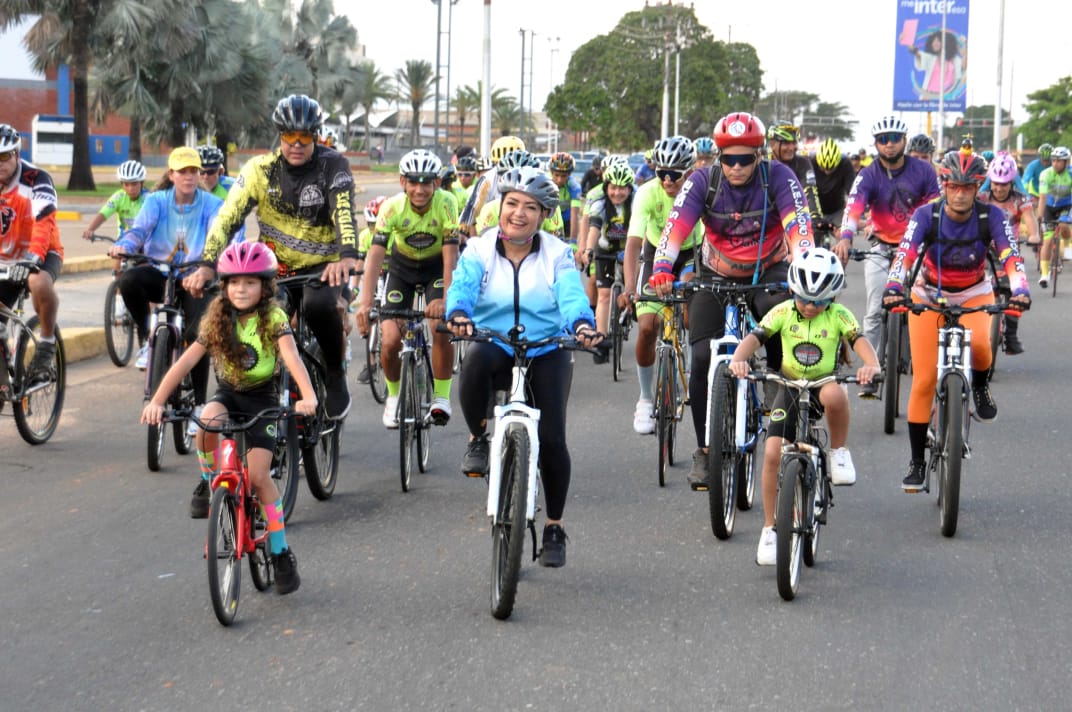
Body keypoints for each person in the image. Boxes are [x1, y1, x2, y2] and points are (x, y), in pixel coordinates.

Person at [445, 165, 603, 568]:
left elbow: (570, 295)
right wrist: (459, 313)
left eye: (530, 207)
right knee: (475, 362)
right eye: (512, 203)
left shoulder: (558, 253)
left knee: (552, 440)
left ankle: (553, 525)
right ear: (500, 206)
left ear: (544, 216)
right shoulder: (480, 249)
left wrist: (582, 325)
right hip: (495, 340)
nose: (518, 213)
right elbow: (462, 285)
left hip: (546, 346)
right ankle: (478, 437)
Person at [141, 242, 317, 593]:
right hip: (229, 393)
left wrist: (308, 396)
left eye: (250, 283)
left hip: (263, 400)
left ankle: (281, 552)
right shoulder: (217, 318)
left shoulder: (273, 318)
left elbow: (292, 359)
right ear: (223, 286)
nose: (241, 289)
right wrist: (157, 400)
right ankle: (210, 483)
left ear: (265, 288)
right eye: (234, 282)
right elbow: (186, 361)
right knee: (205, 423)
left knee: (257, 476)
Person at [650, 112, 813, 489]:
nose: (736, 167)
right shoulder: (702, 182)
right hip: (715, 273)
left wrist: (804, 268)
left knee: (779, 342)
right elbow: (675, 229)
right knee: (703, 357)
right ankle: (705, 451)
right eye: (728, 158)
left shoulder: (780, 178)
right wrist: (662, 267)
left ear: (760, 155)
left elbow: (799, 229)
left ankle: (781, 415)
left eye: (744, 159)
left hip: (768, 270)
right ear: (719, 157)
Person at [187, 94, 358, 421]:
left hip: (325, 266)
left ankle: (334, 374)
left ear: (316, 135)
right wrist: (208, 263)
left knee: (319, 306)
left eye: (304, 136)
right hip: (276, 268)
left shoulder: (333, 165)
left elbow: (344, 214)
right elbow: (227, 217)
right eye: (288, 136)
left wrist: (348, 255)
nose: (296, 144)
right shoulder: (259, 170)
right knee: (258, 320)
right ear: (279, 136)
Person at [883, 151, 1030, 491]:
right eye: (954, 186)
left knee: (980, 346)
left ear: (978, 187)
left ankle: (979, 386)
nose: (961, 193)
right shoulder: (925, 215)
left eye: (968, 187)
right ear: (944, 185)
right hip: (928, 294)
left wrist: (1020, 288)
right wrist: (894, 285)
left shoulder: (990, 216)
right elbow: (905, 254)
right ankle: (917, 461)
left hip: (975, 291)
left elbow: (1010, 254)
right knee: (923, 380)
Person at [728, 248, 880, 565]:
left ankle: (838, 452)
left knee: (836, 396)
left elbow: (859, 340)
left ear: (832, 298)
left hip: (823, 380)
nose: (811, 307)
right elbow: (755, 338)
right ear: (793, 292)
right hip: (789, 385)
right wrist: (739, 359)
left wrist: (872, 365)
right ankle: (770, 528)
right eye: (805, 299)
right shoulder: (782, 311)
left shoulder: (838, 316)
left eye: (820, 301)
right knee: (771, 453)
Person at [110, 147, 222, 511]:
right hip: (160, 274)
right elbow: (138, 231)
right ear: (171, 174)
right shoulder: (156, 201)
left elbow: (224, 236)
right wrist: (123, 246)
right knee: (128, 282)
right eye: (182, 171)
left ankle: (202, 404)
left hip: (196, 280)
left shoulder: (209, 204)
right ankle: (148, 340)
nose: (189, 177)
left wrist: (213, 266)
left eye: (193, 171)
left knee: (199, 335)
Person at [833, 114, 941, 397]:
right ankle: (870, 370)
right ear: (876, 144)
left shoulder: (924, 171)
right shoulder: (868, 174)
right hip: (881, 246)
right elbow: (853, 208)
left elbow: (935, 208)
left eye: (894, 139)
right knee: (873, 310)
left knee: (926, 305)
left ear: (904, 141)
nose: (889, 145)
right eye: (883, 140)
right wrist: (845, 237)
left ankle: (927, 362)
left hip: (917, 247)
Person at [355, 149, 459, 429]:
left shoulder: (447, 203)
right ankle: (392, 397)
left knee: (440, 326)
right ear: (403, 182)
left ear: (437, 183)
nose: (420, 189)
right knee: (389, 339)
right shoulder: (391, 207)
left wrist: (448, 299)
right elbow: (375, 256)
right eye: (413, 182)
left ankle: (441, 396)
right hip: (401, 269)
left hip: (436, 268)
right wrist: (365, 303)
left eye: (427, 183)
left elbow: (451, 255)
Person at [625, 135, 702, 437]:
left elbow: (709, 237)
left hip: (691, 253)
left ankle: (695, 376)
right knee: (646, 327)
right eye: (662, 173)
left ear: (690, 172)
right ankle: (645, 398)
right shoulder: (646, 192)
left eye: (676, 175)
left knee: (692, 315)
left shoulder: (700, 191)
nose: (668, 181)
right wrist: (631, 286)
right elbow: (633, 242)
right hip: (655, 253)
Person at [0, 123, 62, 385]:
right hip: (4, 260)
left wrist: (33, 256)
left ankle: (47, 342)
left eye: (4, 156)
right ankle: (3, 383)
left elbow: (44, 220)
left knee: (38, 281)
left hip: (42, 252)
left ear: (16, 154)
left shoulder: (37, 179)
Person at [979, 152, 1038, 354]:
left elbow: (1030, 218)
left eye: (1004, 184)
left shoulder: (1020, 199)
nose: (999, 188)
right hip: (983, 251)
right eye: (995, 183)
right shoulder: (982, 197)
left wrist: (1034, 235)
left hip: (1008, 253)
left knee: (1016, 292)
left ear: (1012, 182)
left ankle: (1011, 335)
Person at [581, 161, 634, 351]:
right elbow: (593, 229)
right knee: (603, 294)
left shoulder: (636, 202)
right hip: (605, 250)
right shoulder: (600, 204)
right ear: (606, 187)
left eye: (622, 189)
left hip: (629, 250)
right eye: (613, 188)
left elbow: (643, 231)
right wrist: (588, 250)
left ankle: (628, 308)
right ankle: (601, 338)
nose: (617, 193)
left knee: (631, 289)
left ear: (629, 189)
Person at [767, 120, 822, 220]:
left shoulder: (803, 163)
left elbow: (810, 191)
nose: (792, 148)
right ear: (772, 143)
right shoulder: (763, 163)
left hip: (794, 218)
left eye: (794, 143)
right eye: (786, 143)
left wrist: (815, 216)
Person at [81, 161, 148, 240]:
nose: (130, 189)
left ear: (142, 183)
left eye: (134, 184)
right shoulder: (119, 197)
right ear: (121, 184)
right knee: (113, 251)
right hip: (124, 241)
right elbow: (104, 213)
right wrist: (90, 229)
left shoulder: (149, 199)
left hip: (146, 241)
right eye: (126, 184)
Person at [1036, 146, 1072, 288]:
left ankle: (1068, 247)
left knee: (1064, 226)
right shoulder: (1045, 174)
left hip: (1067, 205)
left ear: (1066, 162)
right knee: (1048, 240)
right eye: (1053, 160)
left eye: (1059, 161)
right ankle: (1045, 275)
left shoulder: (1070, 174)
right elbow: (1043, 197)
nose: (1055, 163)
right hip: (1050, 207)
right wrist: (1039, 216)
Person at [810, 138, 856, 246]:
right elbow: (806, 190)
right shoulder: (810, 163)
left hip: (837, 210)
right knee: (810, 244)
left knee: (845, 242)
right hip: (815, 210)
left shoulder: (846, 164)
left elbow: (853, 191)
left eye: (831, 169)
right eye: (823, 168)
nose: (827, 172)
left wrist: (854, 213)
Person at [909, 29, 964, 100]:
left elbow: (960, 75)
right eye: (933, 41)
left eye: (938, 41)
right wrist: (912, 47)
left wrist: (964, 45)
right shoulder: (931, 58)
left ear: (946, 42)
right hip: (929, 97)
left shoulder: (955, 60)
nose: (935, 43)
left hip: (946, 98)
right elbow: (919, 55)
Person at [548, 152, 583, 245]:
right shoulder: (545, 182)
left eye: (563, 176)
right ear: (551, 172)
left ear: (569, 174)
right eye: (556, 175)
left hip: (567, 222)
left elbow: (575, 215)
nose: (559, 179)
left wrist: (573, 241)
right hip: (548, 220)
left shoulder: (574, 187)